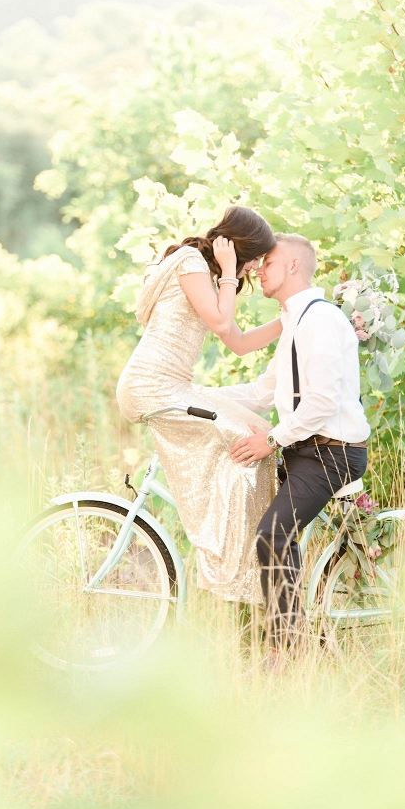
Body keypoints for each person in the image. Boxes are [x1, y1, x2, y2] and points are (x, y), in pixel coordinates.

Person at [117, 206, 281, 603]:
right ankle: (230, 569)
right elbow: (224, 324)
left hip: (173, 386)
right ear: (236, 246)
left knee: (259, 435)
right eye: (253, 258)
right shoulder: (192, 262)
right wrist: (227, 268)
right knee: (245, 444)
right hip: (152, 387)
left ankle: (246, 567)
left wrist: (292, 317)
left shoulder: (205, 274)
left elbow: (238, 344)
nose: (253, 269)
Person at [219, 232, 370, 648]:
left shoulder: (319, 319)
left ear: (291, 266)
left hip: (331, 453)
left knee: (273, 536)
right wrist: (193, 396)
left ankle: (288, 652)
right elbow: (261, 393)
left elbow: (321, 401)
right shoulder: (295, 321)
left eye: (267, 261)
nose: (258, 269)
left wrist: (271, 438)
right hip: (307, 450)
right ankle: (293, 634)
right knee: (275, 536)